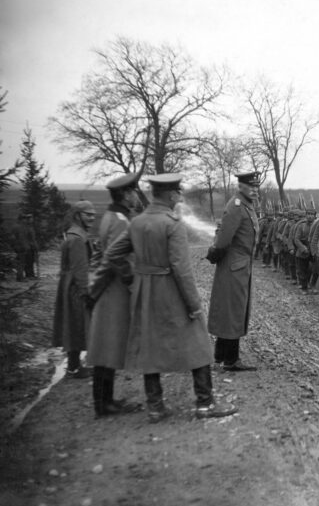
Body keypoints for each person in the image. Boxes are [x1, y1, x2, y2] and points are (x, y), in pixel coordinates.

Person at [98, 173, 237, 422]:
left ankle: (155, 407)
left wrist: (135, 278)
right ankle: (205, 404)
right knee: (198, 344)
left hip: (145, 293)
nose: (180, 196)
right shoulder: (173, 224)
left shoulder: (137, 222)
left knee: (150, 348)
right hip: (170, 291)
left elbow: (111, 254)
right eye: (178, 192)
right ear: (171, 195)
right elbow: (181, 270)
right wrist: (194, 305)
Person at [87, 173, 141, 417]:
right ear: (125, 194)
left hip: (108, 288)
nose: (135, 196)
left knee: (105, 345)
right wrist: (130, 278)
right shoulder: (121, 220)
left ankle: (105, 399)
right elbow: (115, 256)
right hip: (115, 289)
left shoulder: (110, 216)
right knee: (108, 346)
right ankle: (104, 403)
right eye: (133, 192)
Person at [206, 171, 261, 372]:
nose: (255, 190)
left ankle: (221, 356)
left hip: (240, 264)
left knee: (232, 309)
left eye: (257, 187)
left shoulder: (246, 205)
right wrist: (215, 253)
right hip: (234, 265)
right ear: (241, 186)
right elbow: (223, 240)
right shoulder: (237, 206)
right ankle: (231, 360)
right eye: (251, 186)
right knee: (233, 310)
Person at [52, 200, 97, 379]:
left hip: (68, 285)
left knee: (72, 324)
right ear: (78, 215)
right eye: (88, 215)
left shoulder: (72, 234)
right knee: (77, 324)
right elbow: (80, 269)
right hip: (76, 287)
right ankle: (74, 368)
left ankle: (73, 366)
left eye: (93, 215)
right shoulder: (77, 239)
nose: (92, 218)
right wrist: (86, 292)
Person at [11, 212, 38, 281]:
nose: (26, 220)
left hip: (23, 247)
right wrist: (24, 247)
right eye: (25, 219)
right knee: (21, 263)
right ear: (21, 219)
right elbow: (20, 239)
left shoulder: (20, 227)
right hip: (22, 247)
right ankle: (20, 277)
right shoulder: (19, 227)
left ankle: (25, 276)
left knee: (24, 262)